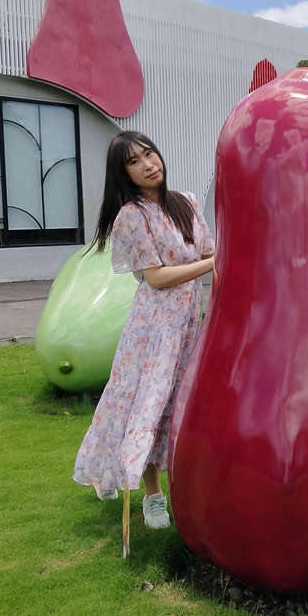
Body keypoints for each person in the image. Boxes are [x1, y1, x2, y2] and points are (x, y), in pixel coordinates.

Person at [73, 130, 214, 529]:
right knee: (147, 403)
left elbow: (208, 251)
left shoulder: (186, 202)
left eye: (149, 154)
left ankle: (108, 471)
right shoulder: (132, 217)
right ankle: (153, 495)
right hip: (153, 328)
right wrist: (213, 264)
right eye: (134, 162)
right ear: (124, 174)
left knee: (173, 404)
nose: (148, 165)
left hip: (187, 323)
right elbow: (157, 278)